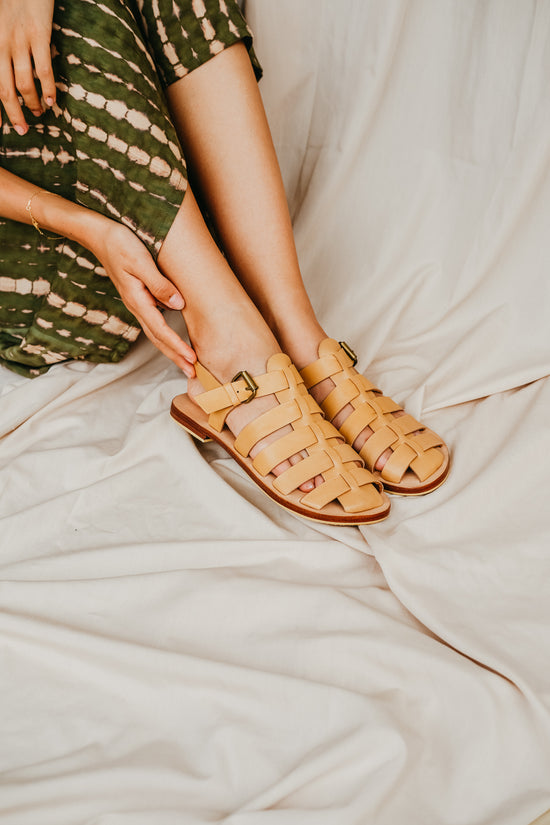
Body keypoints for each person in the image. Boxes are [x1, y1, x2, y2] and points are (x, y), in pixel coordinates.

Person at [0, 0, 449, 525]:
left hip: (142, 225)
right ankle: (233, 351)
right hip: (46, 262)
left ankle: (294, 333)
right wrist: (91, 230)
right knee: (78, 12)